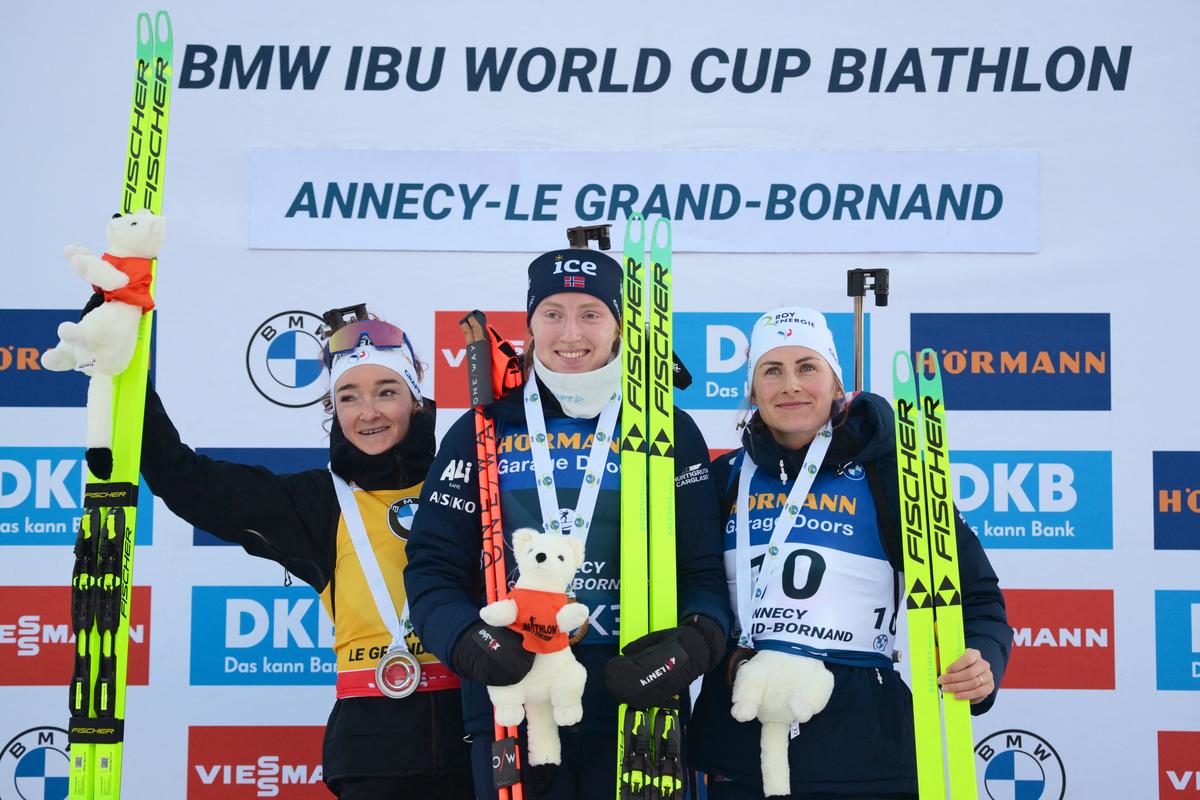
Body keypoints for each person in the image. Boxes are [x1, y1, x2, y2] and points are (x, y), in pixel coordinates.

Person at [403, 247, 733, 799]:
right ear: (530, 325)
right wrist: (469, 641)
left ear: (618, 325)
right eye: (552, 313)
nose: (570, 331)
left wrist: (694, 644)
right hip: (515, 696)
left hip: (634, 695)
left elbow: (701, 569)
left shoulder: (669, 429)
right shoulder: (483, 428)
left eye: (590, 313)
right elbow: (433, 565)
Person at [138, 310, 472, 799]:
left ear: (415, 399)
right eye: (348, 397)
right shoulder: (319, 503)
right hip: (373, 754)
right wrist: (124, 378)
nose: (369, 413)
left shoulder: (469, 480)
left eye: (386, 391)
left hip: (479, 739)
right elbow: (186, 481)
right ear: (332, 409)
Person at [687, 307, 1013, 800]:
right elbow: (692, 586)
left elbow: (978, 598)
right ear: (753, 390)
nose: (791, 384)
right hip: (738, 744)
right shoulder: (724, 478)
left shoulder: (895, 479)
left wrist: (982, 659)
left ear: (837, 383)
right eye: (772, 371)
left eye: (807, 367)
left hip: (865, 751)